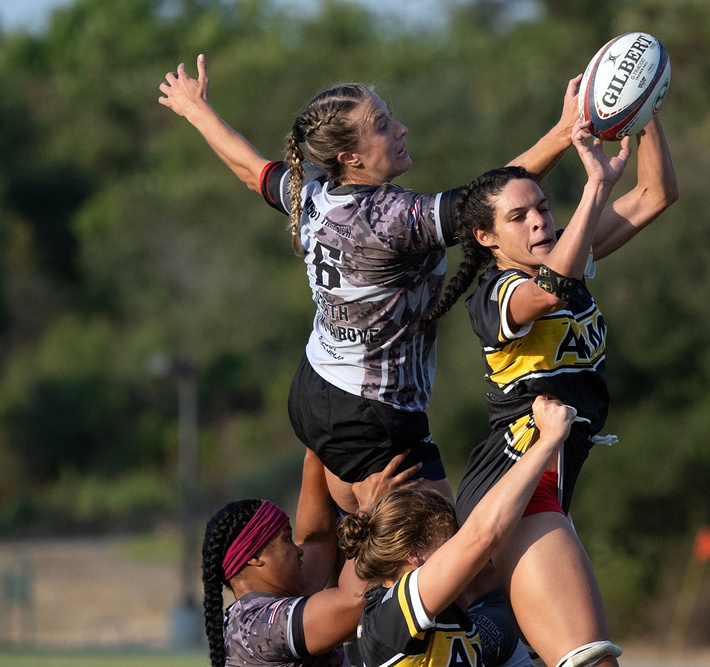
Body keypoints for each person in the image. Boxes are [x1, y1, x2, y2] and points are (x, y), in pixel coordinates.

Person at [158, 54, 581, 512]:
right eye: (382, 125)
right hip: (372, 416)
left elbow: (249, 169)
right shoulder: (388, 218)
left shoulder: (314, 192)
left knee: (371, 549)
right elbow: (492, 201)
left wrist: (196, 109)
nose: (400, 129)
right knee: (443, 566)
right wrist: (563, 133)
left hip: (316, 388)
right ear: (350, 157)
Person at [424, 107, 677, 667]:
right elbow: (552, 293)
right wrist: (595, 186)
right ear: (485, 237)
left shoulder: (568, 254)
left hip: (546, 486)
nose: (538, 221)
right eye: (519, 216)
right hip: (516, 486)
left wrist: (645, 107)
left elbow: (656, 193)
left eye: (542, 207)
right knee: (592, 661)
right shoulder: (496, 293)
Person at [338, 394, 578, 667]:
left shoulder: (453, 620)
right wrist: (548, 440)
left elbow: (510, 614)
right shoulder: (389, 616)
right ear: (414, 555)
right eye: (450, 543)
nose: (461, 555)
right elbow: (482, 536)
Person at [200, 449, 418, 667]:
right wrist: (368, 510)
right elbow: (353, 602)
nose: (298, 550)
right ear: (255, 556)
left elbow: (319, 539)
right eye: (287, 539)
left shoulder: (262, 608)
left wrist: (316, 441)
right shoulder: (258, 625)